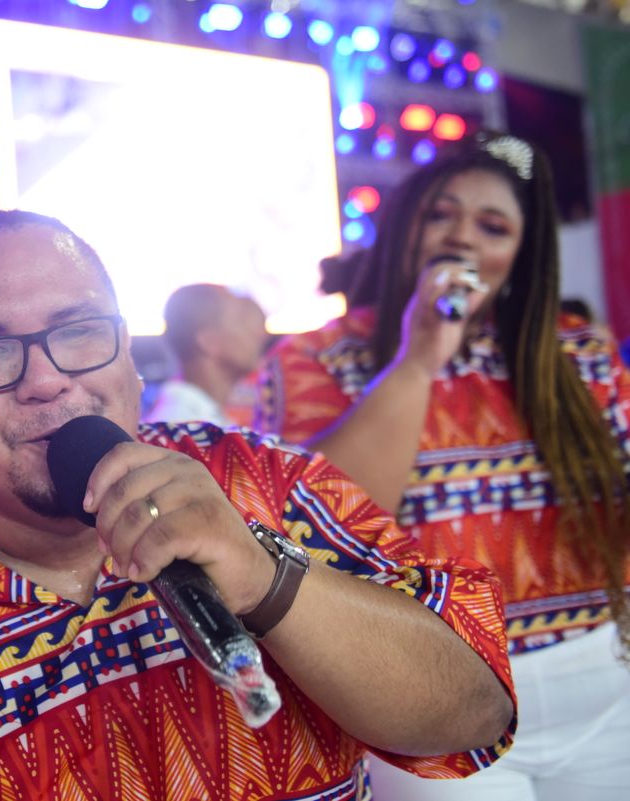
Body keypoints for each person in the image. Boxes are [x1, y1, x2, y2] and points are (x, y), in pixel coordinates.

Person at [0, 209, 515, 801]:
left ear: (131, 360)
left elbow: (475, 711)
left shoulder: (260, 479)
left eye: (79, 331)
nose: (46, 379)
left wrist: (261, 576)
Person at [257, 132, 630, 800]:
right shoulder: (315, 356)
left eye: (493, 227)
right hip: (430, 690)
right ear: (403, 230)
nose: (462, 237)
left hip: (601, 682)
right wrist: (419, 358)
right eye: (440, 215)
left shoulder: (581, 356)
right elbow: (317, 530)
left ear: (521, 255)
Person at [143, 284, 267, 427]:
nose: (257, 334)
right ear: (209, 341)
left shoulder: (196, 421)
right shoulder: (183, 426)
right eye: (242, 322)